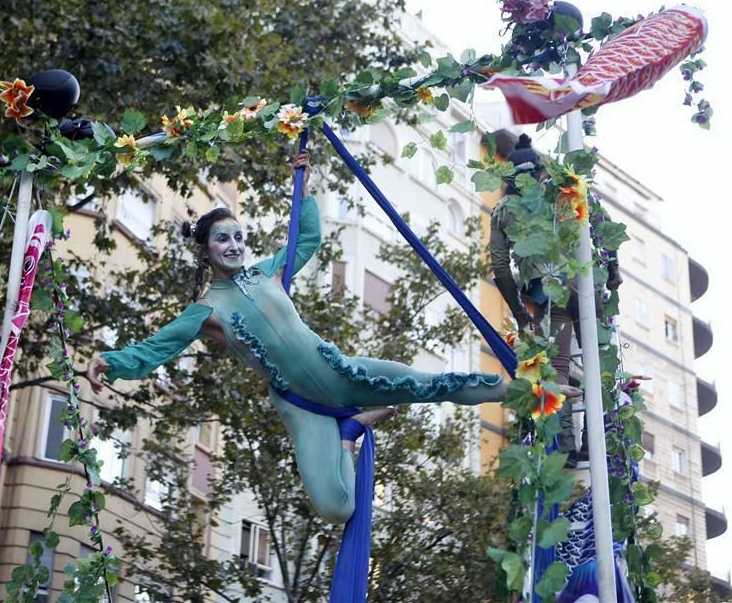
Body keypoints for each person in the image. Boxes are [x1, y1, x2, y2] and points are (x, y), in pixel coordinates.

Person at [86, 151, 504, 525]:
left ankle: (521, 389)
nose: (233, 246)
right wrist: (111, 361)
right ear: (205, 250)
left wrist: (304, 189)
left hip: (340, 373)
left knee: (433, 387)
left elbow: (307, 240)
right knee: (337, 509)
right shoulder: (206, 310)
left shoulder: (268, 272)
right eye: (222, 239)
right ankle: (349, 434)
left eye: (238, 237)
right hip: (302, 406)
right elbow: (157, 348)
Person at [489, 134, 622, 466]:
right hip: (587, 283)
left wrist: (520, 314)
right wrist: (614, 267)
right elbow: (603, 223)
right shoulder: (562, 189)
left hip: (549, 294)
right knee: (598, 365)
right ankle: (597, 443)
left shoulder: (503, 210)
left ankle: (565, 449)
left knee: (557, 372)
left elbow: (501, 269)